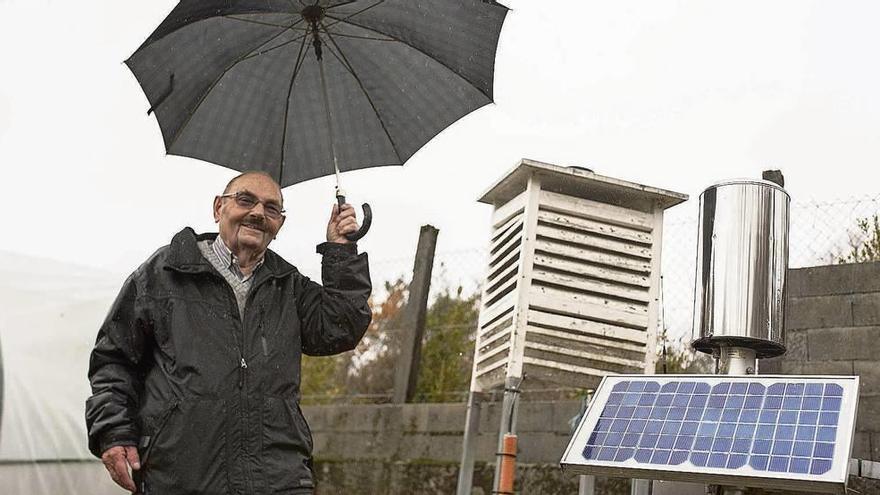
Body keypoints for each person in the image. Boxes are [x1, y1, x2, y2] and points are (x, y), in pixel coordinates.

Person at [85, 171, 372, 495]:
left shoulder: (288, 285)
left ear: (280, 224)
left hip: (278, 479)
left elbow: (342, 327)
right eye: (246, 200)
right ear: (218, 207)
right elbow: (113, 360)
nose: (258, 213)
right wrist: (114, 432)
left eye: (272, 208)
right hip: (181, 476)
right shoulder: (163, 275)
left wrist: (341, 250)